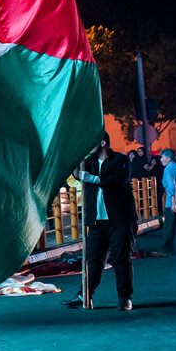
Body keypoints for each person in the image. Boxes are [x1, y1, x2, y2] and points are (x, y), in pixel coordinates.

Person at [65, 132, 137, 311]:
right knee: (93, 260)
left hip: (119, 219)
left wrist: (95, 179)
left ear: (103, 143)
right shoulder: (87, 162)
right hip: (96, 220)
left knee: (121, 258)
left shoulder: (120, 159)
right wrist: (76, 157)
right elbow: (76, 175)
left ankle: (124, 297)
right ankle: (85, 295)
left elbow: (121, 180)